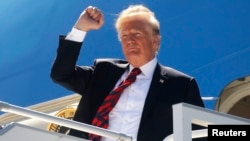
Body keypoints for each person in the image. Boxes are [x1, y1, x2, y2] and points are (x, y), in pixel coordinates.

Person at [50, 4, 206, 141]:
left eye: (137, 34)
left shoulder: (180, 85)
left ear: (155, 40)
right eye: (124, 36)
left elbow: (201, 133)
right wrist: (80, 28)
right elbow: (61, 75)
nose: (130, 40)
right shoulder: (104, 71)